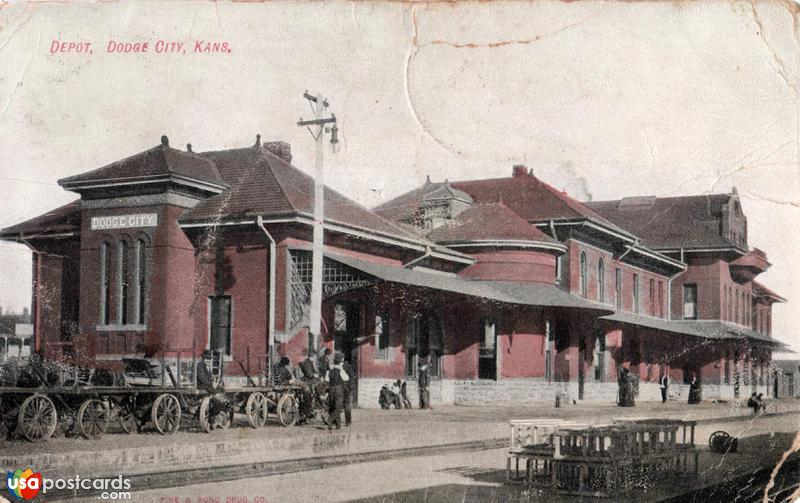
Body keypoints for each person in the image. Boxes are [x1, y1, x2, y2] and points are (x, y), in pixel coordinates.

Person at [324, 352, 350, 430]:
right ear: (341, 360)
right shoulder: (340, 369)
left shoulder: (330, 369)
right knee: (338, 407)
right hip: (338, 389)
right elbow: (346, 378)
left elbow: (326, 379)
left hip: (331, 388)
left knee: (333, 406)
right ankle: (330, 420)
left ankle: (338, 425)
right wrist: (342, 370)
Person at [342, 357, 354, 426]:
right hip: (348, 388)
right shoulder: (349, 367)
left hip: (345, 388)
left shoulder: (343, 366)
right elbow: (352, 377)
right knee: (347, 405)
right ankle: (348, 421)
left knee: (346, 405)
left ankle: (348, 421)